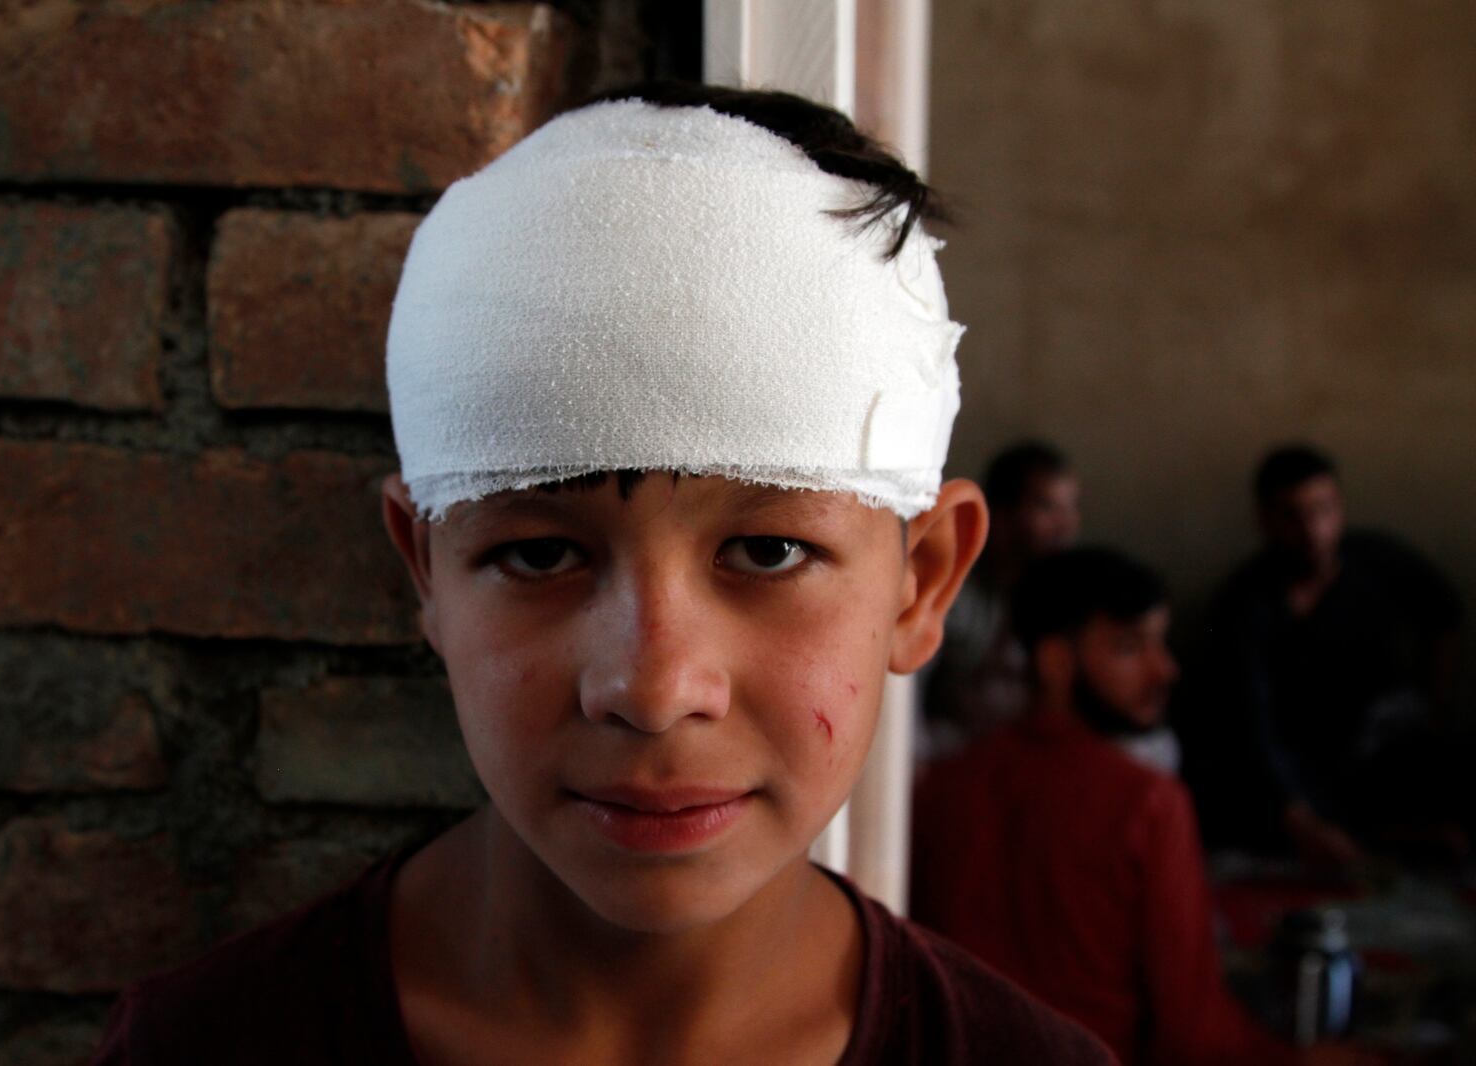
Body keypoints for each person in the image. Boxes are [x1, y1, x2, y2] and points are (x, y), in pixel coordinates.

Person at [91, 84, 1115, 1064]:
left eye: (768, 551)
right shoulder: (202, 1047)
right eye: (539, 553)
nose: (654, 688)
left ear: (921, 581)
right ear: (425, 570)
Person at [910, 547, 1364, 1066]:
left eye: (1160, 643)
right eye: (1130, 647)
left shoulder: (942, 787)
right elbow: (1193, 1034)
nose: (1165, 669)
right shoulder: (1147, 804)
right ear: (1056, 661)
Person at [1190, 445, 1465, 865]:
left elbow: (1444, 611)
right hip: (1299, 757)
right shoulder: (1246, 602)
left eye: (1324, 510)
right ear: (1264, 520)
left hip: (1384, 743)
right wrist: (1298, 817)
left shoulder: (1377, 560)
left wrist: (1438, 698)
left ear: (1341, 508)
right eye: (1292, 515)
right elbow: (1251, 721)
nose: (1312, 528)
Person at [918, 440, 1079, 756]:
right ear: (1003, 514)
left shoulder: (1073, 595)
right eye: (1047, 507)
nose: (1066, 525)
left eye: (1071, 507)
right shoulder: (954, 594)